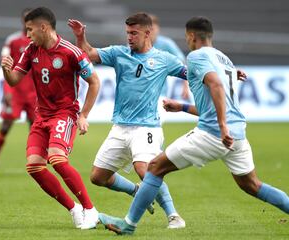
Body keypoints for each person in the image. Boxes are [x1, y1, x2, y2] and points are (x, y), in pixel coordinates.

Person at [98, 16, 289, 235]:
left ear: (191, 36)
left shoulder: (196, 56)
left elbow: (215, 86)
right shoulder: (223, 59)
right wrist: (182, 107)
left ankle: (128, 225)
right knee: (252, 185)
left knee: (154, 168)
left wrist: (222, 126)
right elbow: (214, 101)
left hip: (214, 133)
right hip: (238, 134)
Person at [68, 12, 187, 229]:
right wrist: (80, 37)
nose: (129, 37)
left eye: (134, 33)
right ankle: (136, 190)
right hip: (120, 126)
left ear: (147, 33)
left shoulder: (164, 59)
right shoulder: (119, 53)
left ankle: (174, 215)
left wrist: (223, 75)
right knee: (98, 177)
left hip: (147, 127)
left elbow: (192, 74)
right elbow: (89, 53)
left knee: (146, 169)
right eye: (127, 33)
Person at [1, 7, 101, 230]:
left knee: (57, 159)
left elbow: (94, 81)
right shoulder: (31, 50)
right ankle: (74, 209)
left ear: (43, 27)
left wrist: (83, 115)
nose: (27, 35)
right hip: (41, 116)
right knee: (34, 167)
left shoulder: (70, 52)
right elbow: (15, 79)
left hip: (64, 114)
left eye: (30, 30)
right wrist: (6, 71)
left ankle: (90, 210)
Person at [0, 8, 37, 178]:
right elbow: (6, 65)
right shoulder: (13, 41)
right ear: (22, 20)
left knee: (35, 129)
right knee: (5, 127)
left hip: (34, 93)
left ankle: (35, 163)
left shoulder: (39, 42)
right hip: (15, 91)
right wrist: (7, 89)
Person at [149, 14, 189, 99]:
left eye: (153, 29)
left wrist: (185, 85)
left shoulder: (166, 43)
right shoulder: (135, 44)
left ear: (158, 29)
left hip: (160, 96)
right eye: (149, 29)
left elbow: (182, 62)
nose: (151, 32)